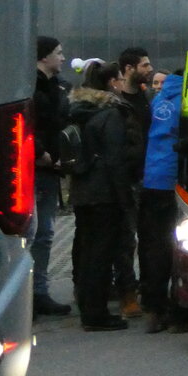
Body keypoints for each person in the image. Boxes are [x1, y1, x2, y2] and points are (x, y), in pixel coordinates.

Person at [139, 70, 188, 334]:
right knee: (182, 247)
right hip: (175, 180)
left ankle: (153, 309)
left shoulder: (158, 100)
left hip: (152, 179)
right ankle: (180, 314)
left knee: (155, 246)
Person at [68, 61, 138, 331]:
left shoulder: (80, 110)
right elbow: (115, 160)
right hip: (105, 193)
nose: (122, 84)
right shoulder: (111, 114)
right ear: (112, 83)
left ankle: (88, 308)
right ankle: (96, 315)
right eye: (120, 79)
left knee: (87, 253)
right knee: (101, 255)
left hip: (82, 189)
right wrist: (124, 199)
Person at [29, 36, 71, 317]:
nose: (64, 57)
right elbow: (28, 123)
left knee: (44, 233)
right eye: (58, 52)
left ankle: (37, 291)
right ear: (44, 57)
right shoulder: (33, 87)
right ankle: (34, 293)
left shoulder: (54, 87)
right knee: (37, 232)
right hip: (38, 166)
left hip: (49, 166)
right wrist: (41, 153)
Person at [113, 46, 153, 318]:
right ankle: (127, 293)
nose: (149, 70)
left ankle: (149, 290)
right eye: (145, 65)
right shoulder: (115, 102)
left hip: (148, 176)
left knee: (151, 237)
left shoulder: (148, 99)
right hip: (125, 179)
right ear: (129, 68)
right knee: (126, 240)